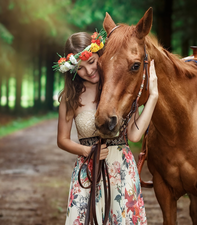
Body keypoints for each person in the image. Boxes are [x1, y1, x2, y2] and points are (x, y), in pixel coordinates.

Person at [56, 31, 158, 225]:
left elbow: (134, 135)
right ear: (72, 70)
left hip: (121, 170)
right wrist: (87, 150)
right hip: (88, 172)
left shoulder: (118, 90)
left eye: (92, 62)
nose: (89, 71)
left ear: (100, 56)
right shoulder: (70, 99)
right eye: (80, 68)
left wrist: (152, 97)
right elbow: (62, 140)